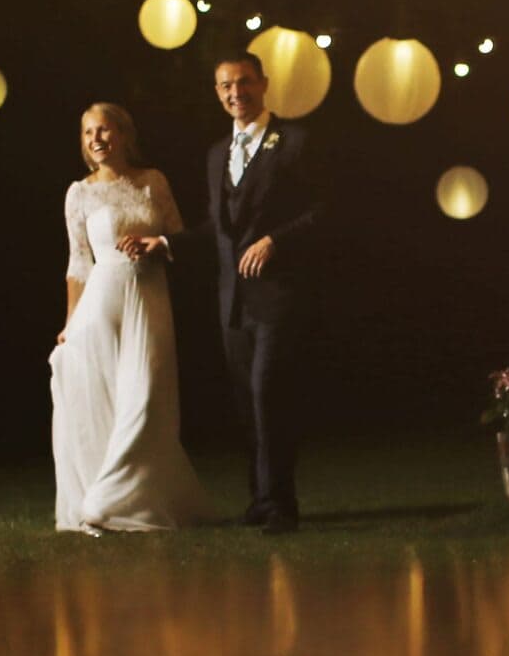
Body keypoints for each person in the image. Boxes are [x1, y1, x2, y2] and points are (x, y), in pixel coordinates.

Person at [125, 53, 324, 533]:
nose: (237, 93)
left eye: (245, 83)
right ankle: (260, 499)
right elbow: (219, 226)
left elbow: (325, 212)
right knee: (245, 401)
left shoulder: (295, 142)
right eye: (226, 86)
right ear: (217, 93)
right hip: (231, 299)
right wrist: (167, 243)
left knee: (268, 394)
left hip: (279, 295)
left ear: (263, 84)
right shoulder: (217, 153)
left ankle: (281, 505)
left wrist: (276, 241)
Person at [50, 103, 212, 533]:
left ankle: (121, 499)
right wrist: (70, 322)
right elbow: (77, 262)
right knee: (109, 401)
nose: (96, 140)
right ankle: (101, 500)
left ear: (123, 135)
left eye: (104, 130)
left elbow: (177, 234)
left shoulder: (152, 181)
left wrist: (157, 244)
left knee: (147, 399)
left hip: (150, 299)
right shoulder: (79, 193)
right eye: (87, 133)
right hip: (101, 305)